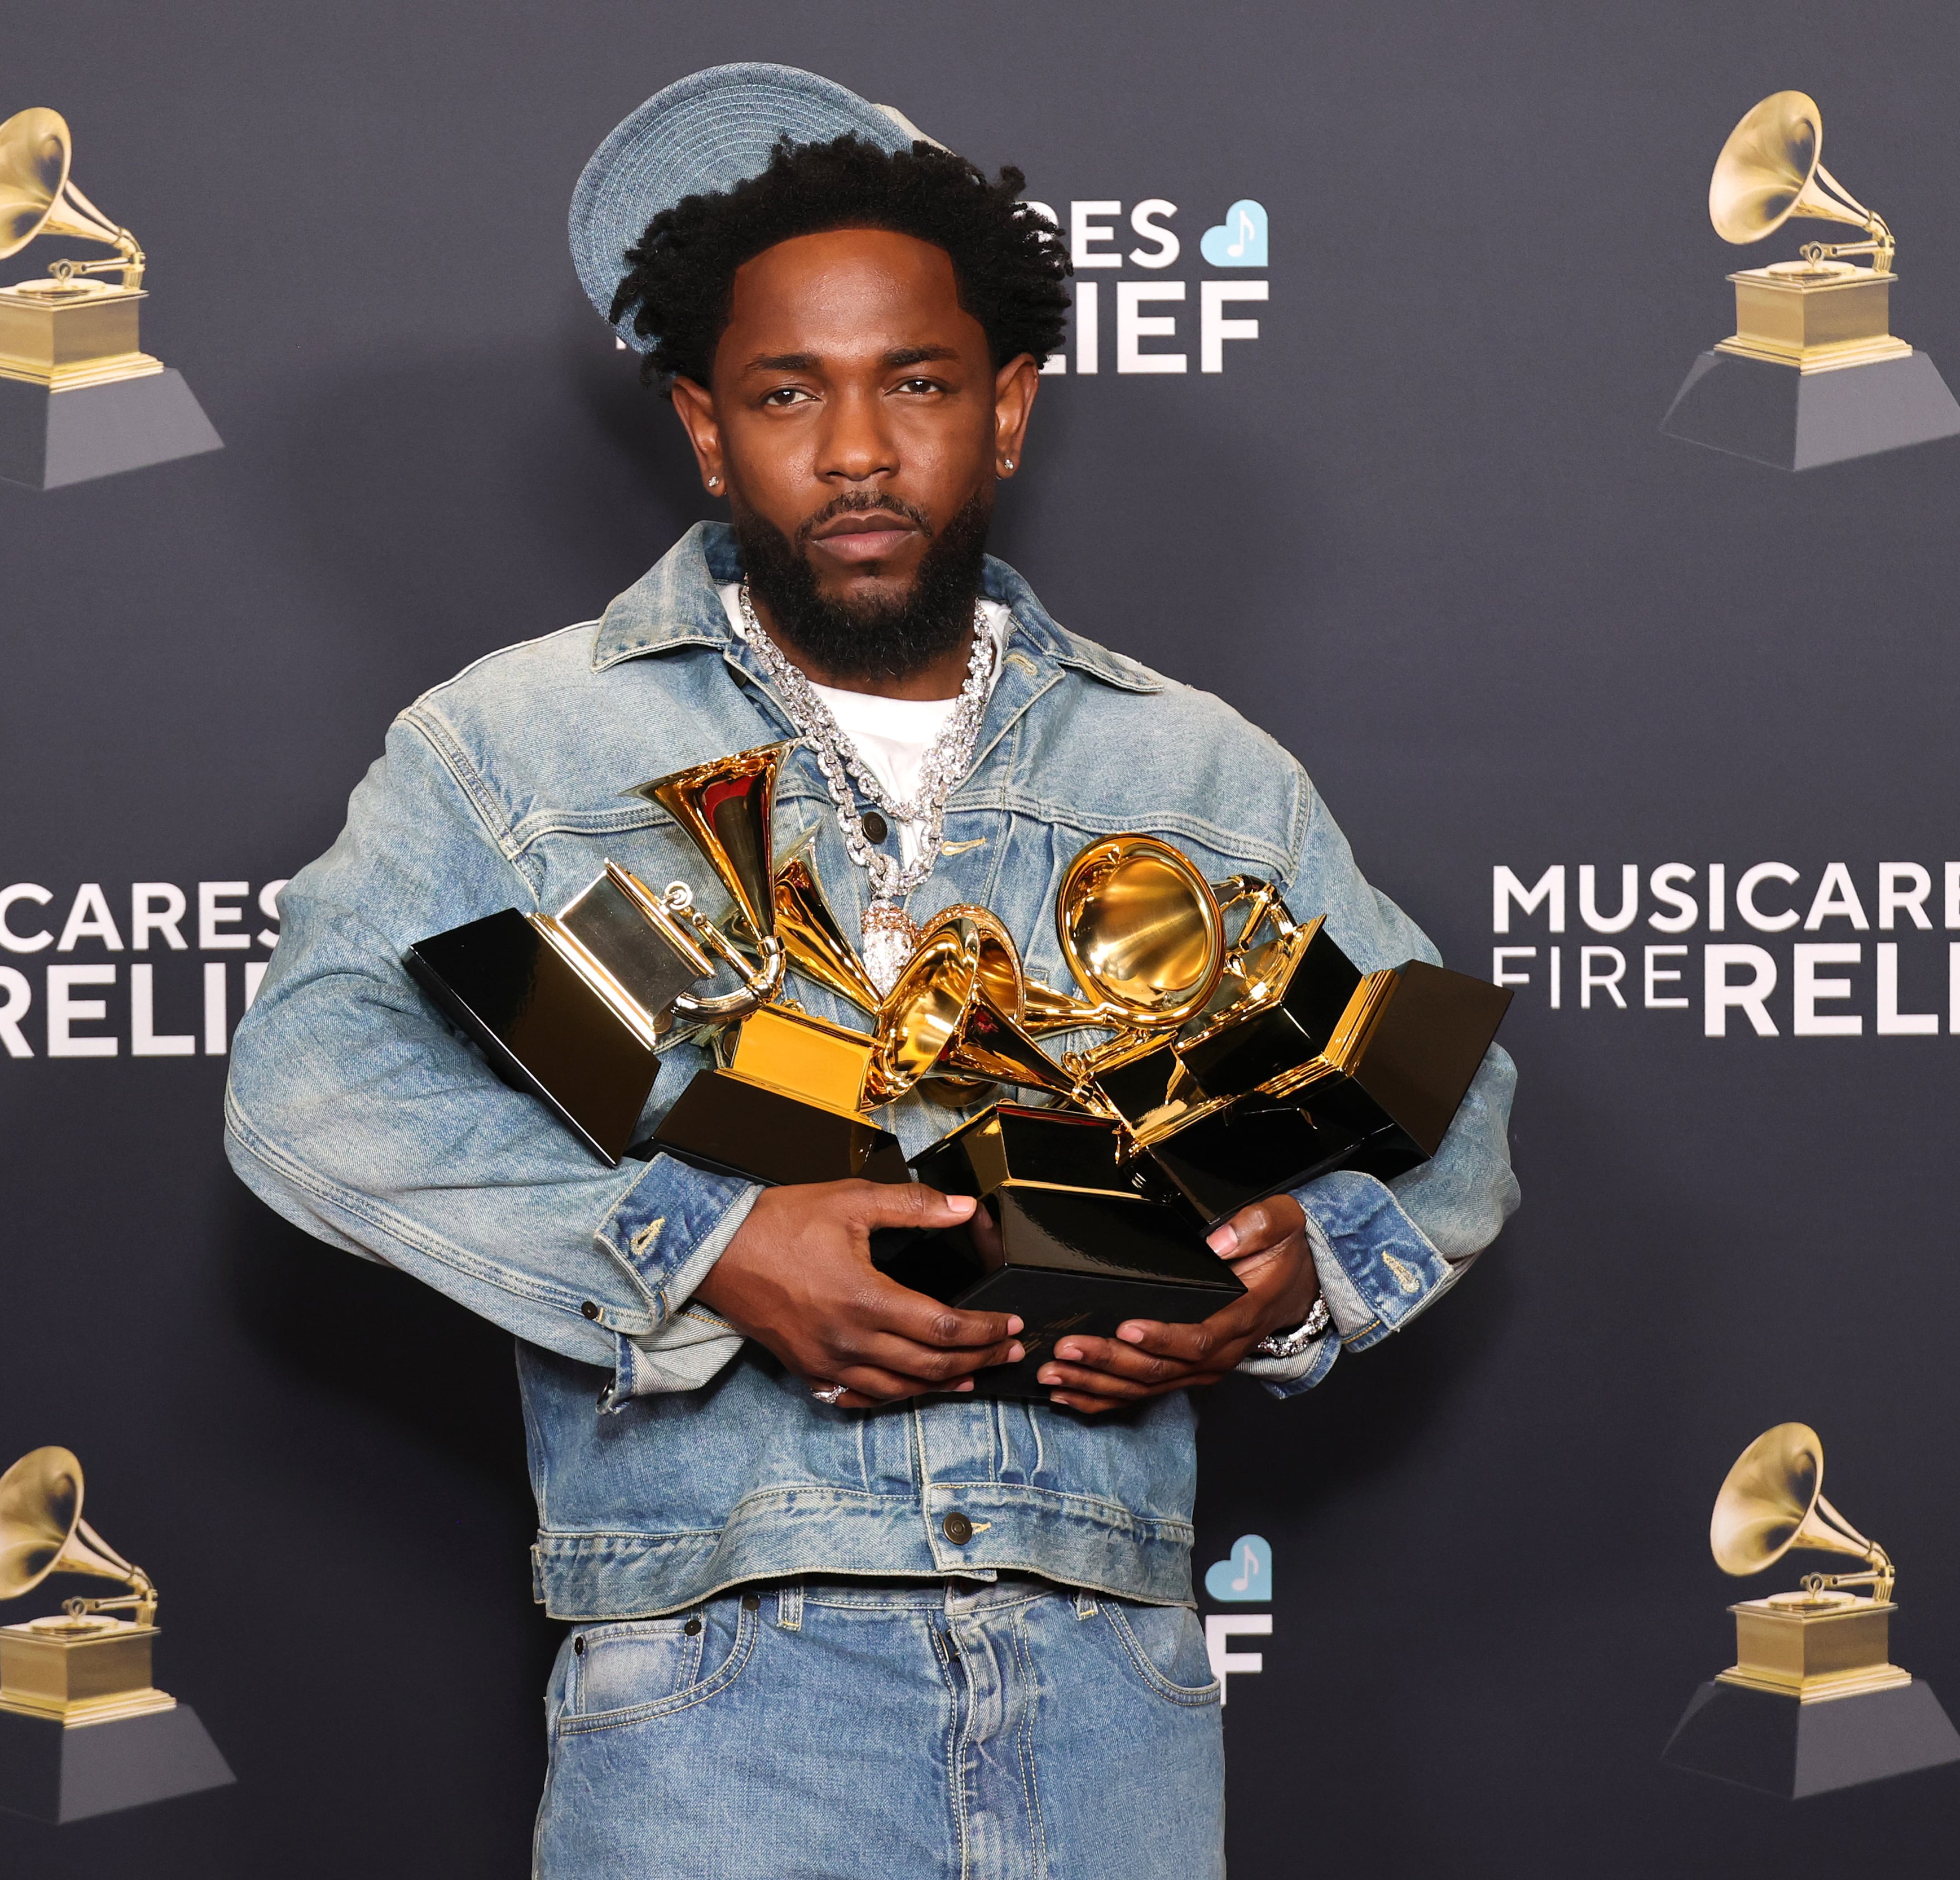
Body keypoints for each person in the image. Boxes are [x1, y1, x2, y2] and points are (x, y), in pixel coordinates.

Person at [226, 63, 1519, 1879]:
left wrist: (1299, 1284)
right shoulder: (512, 746)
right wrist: (708, 1250)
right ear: (702, 426)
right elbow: (309, 1083)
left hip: (1114, 1679)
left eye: (913, 384)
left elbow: (1440, 1092)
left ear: (1005, 411)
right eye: (786, 394)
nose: (853, 450)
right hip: (718, 1673)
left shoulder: (1199, 770)